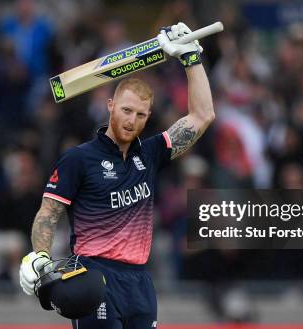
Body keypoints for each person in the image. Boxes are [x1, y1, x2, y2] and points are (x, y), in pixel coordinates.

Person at [19, 23, 215, 329]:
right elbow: (48, 212)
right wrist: (40, 255)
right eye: (125, 110)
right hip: (94, 277)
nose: (131, 120)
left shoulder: (150, 154)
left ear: (148, 116)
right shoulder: (79, 158)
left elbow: (202, 116)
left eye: (140, 114)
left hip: (139, 281)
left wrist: (191, 58)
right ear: (110, 106)